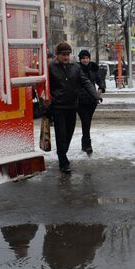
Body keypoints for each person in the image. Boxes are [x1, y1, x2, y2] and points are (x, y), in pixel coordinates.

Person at [48, 42, 100, 174]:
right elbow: (44, 84)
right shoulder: (50, 67)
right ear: (57, 55)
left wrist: (95, 95)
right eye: (63, 55)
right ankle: (63, 162)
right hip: (58, 107)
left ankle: (62, 152)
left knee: (69, 134)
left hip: (72, 106)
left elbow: (86, 82)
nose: (66, 57)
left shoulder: (76, 67)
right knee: (61, 135)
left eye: (68, 54)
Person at [77, 49, 106, 156]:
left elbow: (100, 80)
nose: (85, 60)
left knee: (87, 122)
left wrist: (100, 89)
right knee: (86, 121)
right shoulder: (76, 69)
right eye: (83, 58)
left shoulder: (94, 68)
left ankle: (84, 145)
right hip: (80, 101)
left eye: (87, 58)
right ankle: (87, 146)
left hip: (92, 100)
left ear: (89, 58)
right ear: (80, 59)